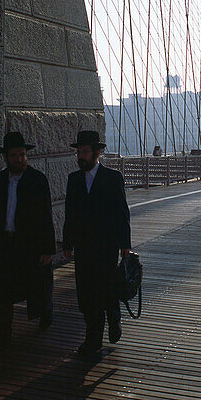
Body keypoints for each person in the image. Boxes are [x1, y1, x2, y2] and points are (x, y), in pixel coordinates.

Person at [0, 131, 55, 350]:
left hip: (29, 245)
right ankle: (2, 334)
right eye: (14, 155)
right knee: (2, 290)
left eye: (22, 154)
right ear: (6, 157)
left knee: (38, 286)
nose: (19, 159)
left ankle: (46, 312)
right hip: (4, 245)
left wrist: (47, 249)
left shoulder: (37, 180)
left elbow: (46, 216)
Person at [63, 130, 131, 360]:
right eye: (78, 152)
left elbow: (122, 212)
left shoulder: (112, 178)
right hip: (83, 247)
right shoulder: (74, 180)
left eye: (84, 152)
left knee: (104, 288)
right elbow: (69, 214)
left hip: (106, 245)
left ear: (97, 153)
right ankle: (92, 339)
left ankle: (113, 318)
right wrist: (67, 242)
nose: (80, 156)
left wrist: (125, 243)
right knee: (86, 293)